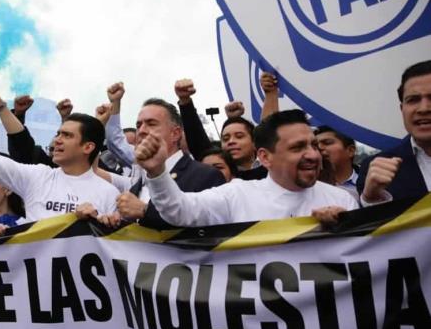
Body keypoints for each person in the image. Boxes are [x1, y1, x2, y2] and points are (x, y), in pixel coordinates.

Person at [132, 110, 359, 226]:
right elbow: (179, 211)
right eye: (298, 147)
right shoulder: (238, 195)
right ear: (265, 157)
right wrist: (157, 172)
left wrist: (348, 227)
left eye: (313, 145)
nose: (311, 154)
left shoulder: (342, 201)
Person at [0, 80, 119, 220]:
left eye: (67, 136)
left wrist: (99, 223)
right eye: (59, 133)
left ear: (88, 147)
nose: (57, 140)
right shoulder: (37, 176)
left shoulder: (109, 194)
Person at [102, 82, 226, 228]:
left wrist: (145, 211)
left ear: (175, 134)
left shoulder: (206, 176)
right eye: (138, 125)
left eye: (151, 123)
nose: (141, 130)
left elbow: (210, 231)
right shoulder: (136, 184)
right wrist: (114, 222)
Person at [357, 60, 431, 204]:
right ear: (401, 109)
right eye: (413, 100)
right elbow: (371, 225)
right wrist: (371, 199)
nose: (424, 108)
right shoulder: (374, 170)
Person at [315, 126, 358, 199]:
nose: (319, 147)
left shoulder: (368, 181)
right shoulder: (310, 186)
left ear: (350, 151)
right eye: (315, 145)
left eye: (327, 143)